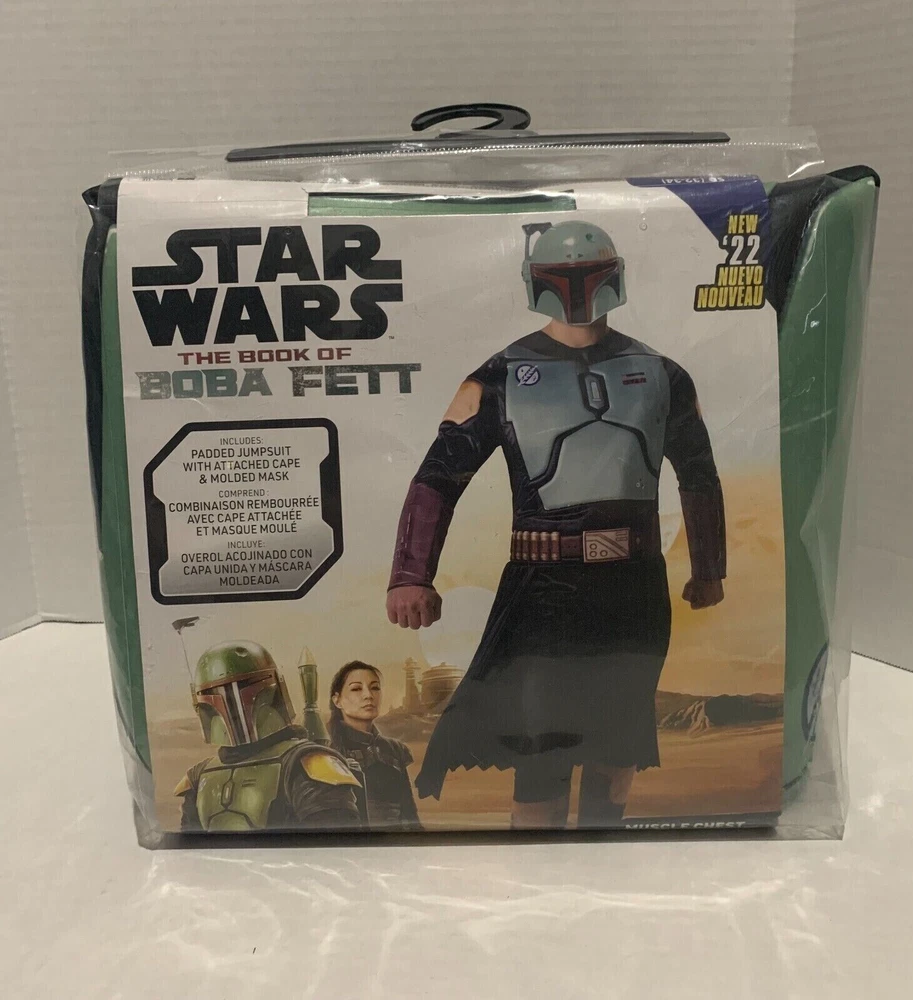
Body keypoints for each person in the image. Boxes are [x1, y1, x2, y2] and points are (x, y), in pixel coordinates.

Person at [385, 220, 726, 829]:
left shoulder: (662, 375)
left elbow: (698, 474)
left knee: (619, 742)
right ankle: (537, 869)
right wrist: (411, 574)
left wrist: (709, 569)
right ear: (537, 281)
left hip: (634, 585)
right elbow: (438, 476)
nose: (578, 289)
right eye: (564, 277)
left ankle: (600, 859)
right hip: (542, 589)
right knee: (541, 750)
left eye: (589, 275)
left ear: (614, 277)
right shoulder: (498, 377)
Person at [175, 641, 362, 832]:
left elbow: (332, 843)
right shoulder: (198, 776)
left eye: (244, 686)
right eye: (215, 692)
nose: (233, 703)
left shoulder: (305, 764)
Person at [327, 661, 422, 830]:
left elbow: (410, 816)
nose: (368, 695)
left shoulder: (395, 749)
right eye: (357, 689)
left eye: (375, 688)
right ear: (337, 700)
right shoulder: (328, 754)